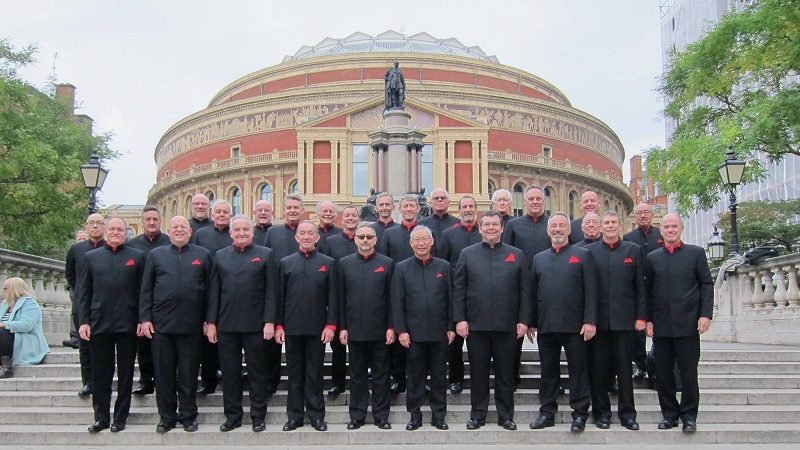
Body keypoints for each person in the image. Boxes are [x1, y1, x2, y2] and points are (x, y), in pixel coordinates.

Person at [453, 211, 530, 431]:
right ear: (480, 228)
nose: (491, 228)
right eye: (486, 224)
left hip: (508, 325)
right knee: (478, 373)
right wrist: (460, 319)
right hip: (476, 325)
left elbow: (525, 291)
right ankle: (478, 415)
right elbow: (459, 290)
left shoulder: (517, 254)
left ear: (502, 228)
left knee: (505, 374)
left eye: (495, 224)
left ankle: (505, 415)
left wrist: (524, 320)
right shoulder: (467, 254)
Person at [207, 215, 279, 433]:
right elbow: (214, 293)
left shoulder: (266, 255)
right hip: (226, 325)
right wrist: (211, 322)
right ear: (230, 233)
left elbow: (271, 292)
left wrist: (270, 322)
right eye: (236, 230)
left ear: (252, 232)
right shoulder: (220, 256)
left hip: (256, 325)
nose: (241, 233)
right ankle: (233, 416)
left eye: (245, 230)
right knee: (230, 373)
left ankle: (258, 415)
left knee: (257, 372)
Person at [139, 215, 211, 433]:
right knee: (164, 374)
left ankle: (188, 415)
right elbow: (146, 290)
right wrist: (145, 318)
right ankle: (167, 417)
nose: (179, 230)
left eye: (183, 227)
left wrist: (210, 319)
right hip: (161, 326)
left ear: (190, 232)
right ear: (168, 231)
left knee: (189, 375)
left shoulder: (203, 255)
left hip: (192, 326)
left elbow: (211, 291)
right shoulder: (155, 255)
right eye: (175, 227)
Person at [529, 212, 597, 433]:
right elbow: (532, 293)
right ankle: (547, 412)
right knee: (548, 372)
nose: (557, 229)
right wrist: (530, 322)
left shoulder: (583, 255)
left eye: (561, 226)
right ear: (548, 231)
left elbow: (591, 291)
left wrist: (590, 321)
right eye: (554, 226)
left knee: (578, 371)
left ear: (569, 230)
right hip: (547, 325)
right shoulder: (539, 258)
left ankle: (579, 414)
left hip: (576, 326)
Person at [646, 213, 713, 433]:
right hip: (662, 326)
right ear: (661, 231)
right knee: (663, 375)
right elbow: (647, 293)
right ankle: (670, 415)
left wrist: (705, 315)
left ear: (681, 229)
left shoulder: (695, 254)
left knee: (688, 373)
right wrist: (647, 320)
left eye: (674, 226)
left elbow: (706, 285)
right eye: (666, 227)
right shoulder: (653, 258)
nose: (670, 230)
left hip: (688, 325)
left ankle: (689, 416)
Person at [79, 217, 145, 433]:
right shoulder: (92, 257)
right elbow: (84, 292)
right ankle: (101, 417)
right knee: (101, 374)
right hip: (99, 322)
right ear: (106, 231)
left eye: (120, 229)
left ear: (126, 233)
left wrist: (142, 319)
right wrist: (84, 321)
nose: (116, 232)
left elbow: (143, 292)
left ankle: (120, 417)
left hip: (128, 322)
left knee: (126, 374)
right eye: (112, 229)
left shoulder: (137, 257)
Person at [585, 211, 646, 430]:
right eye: (606, 222)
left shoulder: (633, 251)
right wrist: (588, 319)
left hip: (624, 322)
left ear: (620, 226)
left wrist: (641, 316)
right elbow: (586, 289)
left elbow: (640, 288)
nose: (610, 226)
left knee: (624, 370)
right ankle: (601, 413)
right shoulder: (588, 252)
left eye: (613, 222)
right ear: (600, 227)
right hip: (598, 323)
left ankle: (628, 414)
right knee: (599, 370)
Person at [276, 221, 337, 432]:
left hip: (317, 329)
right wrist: (279, 325)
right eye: (303, 233)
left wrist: (331, 325)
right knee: (294, 374)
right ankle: (294, 416)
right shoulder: (285, 263)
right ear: (297, 237)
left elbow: (333, 298)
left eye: (311, 233)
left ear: (317, 237)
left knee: (315, 373)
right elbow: (280, 298)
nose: (307, 236)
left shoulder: (328, 263)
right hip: (292, 328)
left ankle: (316, 415)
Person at [392, 226, 454, 431]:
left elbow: (450, 299)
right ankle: (415, 415)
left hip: (439, 332)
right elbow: (397, 302)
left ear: (431, 242)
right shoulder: (401, 268)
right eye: (416, 240)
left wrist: (451, 327)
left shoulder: (444, 267)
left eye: (424, 239)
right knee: (415, 375)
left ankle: (439, 415)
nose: (421, 243)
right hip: (413, 334)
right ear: (411, 243)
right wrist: (401, 330)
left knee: (438, 376)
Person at [337, 222, 395, 430]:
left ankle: (381, 415)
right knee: (357, 374)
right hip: (354, 329)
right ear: (355, 239)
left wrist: (391, 326)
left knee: (381, 374)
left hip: (380, 330)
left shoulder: (387, 263)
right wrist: (342, 327)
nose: (365, 240)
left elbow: (392, 299)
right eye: (361, 237)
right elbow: (340, 298)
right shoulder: (344, 264)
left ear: (375, 240)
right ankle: (357, 415)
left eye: (369, 237)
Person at [502, 186, 550, 388]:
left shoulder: (553, 224)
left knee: (549, 337)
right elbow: (505, 254)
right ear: (524, 202)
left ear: (544, 201)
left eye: (538, 198)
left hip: (548, 288)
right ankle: (512, 376)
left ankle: (551, 380)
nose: (535, 202)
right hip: (520, 287)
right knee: (515, 336)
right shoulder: (514, 225)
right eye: (531, 199)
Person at [262, 193, 306, 394]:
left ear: (302, 211)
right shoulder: (273, 233)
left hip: (302, 292)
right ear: (283, 210)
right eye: (289, 208)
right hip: (278, 291)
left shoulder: (309, 232)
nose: (292, 211)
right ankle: (272, 379)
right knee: (272, 342)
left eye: (296, 208)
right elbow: (267, 261)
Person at [377, 194, 421, 394]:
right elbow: (384, 263)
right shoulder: (390, 234)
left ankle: (419, 378)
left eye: (412, 206)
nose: (409, 209)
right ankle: (398, 378)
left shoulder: (424, 233)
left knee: (418, 338)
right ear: (400, 209)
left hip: (420, 291)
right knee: (397, 335)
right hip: (396, 290)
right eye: (406, 206)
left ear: (418, 209)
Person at [127, 205, 171, 397]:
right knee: (143, 344)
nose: (152, 222)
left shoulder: (169, 242)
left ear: (161, 221)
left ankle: (168, 379)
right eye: (148, 220)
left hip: (165, 301)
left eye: (155, 219)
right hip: (140, 300)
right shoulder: (132, 245)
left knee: (165, 345)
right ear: (143, 222)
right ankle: (146, 380)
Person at [439, 195, 481, 394]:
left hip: (479, 296)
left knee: (477, 343)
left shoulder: (485, 232)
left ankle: (477, 378)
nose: (468, 210)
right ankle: (455, 378)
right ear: (459, 210)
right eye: (464, 206)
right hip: (455, 294)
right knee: (454, 342)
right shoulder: (449, 234)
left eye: (471, 206)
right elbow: (444, 264)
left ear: (476, 209)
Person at [193, 200, 233, 396]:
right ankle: (208, 380)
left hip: (230, 292)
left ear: (231, 215)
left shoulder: (235, 234)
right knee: (207, 339)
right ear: (212, 214)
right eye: (218, 212)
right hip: (207, 290)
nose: (222, 215)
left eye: (226, 212)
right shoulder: (201, 234)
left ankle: (228, 377)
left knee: (228, 339)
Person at [65, 213, 106, 398]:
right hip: (83, 304)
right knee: (85, 346)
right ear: (86, 226)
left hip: (105, 304)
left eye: (99, 223)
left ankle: (104, 380)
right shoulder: (76, 250)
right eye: (92, 223)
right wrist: (82, 292)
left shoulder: (111, 248)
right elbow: (71, 276)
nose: (95, 226)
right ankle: (87, 382)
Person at [624, 202, 664, 381]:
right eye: (639, 213)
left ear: (652, 215)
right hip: (637, 289)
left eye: (646, 212)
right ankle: (640, 365)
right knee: (637, 332)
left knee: (658, 327)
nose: (642, 216)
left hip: (658, 290)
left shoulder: (661, 235)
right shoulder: (628, 238)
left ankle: (656, 363)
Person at [323, 205, 360, 396]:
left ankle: (358, 380)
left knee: (359, 342)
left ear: (358, 219)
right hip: (337, 296)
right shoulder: (330, 242)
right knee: (338, 344)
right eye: (347, 215)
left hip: (359, 297)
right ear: (342, 219)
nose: (351, 218)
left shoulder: (365, 239)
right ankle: (338, 382)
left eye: (354, 215)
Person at [0, 277, 50, 377]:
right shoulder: (5, 304)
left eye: (5, 289)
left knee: (2, 331)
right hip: (6, 339)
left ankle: (6, 368)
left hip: (23, 339)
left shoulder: (30, 303)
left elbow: (27, 325)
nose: (3, 291)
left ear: (14, 289)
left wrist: (5, 324)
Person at [63, 229, 90, 350]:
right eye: (79, 239)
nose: (81, 242)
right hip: (77, 288)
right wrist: (78, 286)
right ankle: (75, 336)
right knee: (76, 311)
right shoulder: (74, 250)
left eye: (83, 239)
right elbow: (69, 272)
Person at [419, 188, 459, 255]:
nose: (439, 200)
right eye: (436, 198)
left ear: (449, 203)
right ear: (431, 203)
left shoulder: (458, 223)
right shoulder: (421, 225)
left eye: (443, 198)